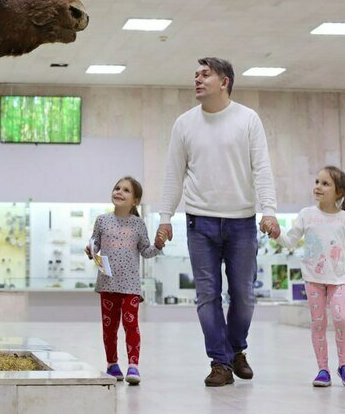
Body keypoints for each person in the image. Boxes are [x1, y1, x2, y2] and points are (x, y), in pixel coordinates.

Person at [158, 57, 279, 387]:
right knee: (207, 296)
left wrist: (269, 210)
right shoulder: (184, 123)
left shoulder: (247, 119)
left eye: (205, 74)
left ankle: (236, 349)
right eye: (195, 74)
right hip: (200, 223)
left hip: (242, 222)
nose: (197, 79)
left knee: (243, 295)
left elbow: (262, 168)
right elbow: (173, 174)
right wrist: (165, 218)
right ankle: (220, 363)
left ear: (224, 82)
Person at [271, 166, 345, 388]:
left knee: (341, 318)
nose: (318, 187)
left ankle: (344, 365)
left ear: (339, 192)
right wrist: (276, 234)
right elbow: (290, 241)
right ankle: (323, 369)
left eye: (325, 183)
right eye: (317, 182)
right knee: (319, 323)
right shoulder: (307, 214)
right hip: (313, 279)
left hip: (339, 280)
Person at [85, 176, 166, 385]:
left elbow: (146, 252)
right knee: (109, 328)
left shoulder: (139, 224)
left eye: (126, 190)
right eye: (117, 188)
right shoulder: (102, 220)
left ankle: (133, 365)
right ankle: (112, 364)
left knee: (131, 325)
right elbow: (94, 245)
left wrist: (157, 245)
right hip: (107, 284)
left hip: (130, 286)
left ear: (135, 201)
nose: (119, 192)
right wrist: (90, 250)